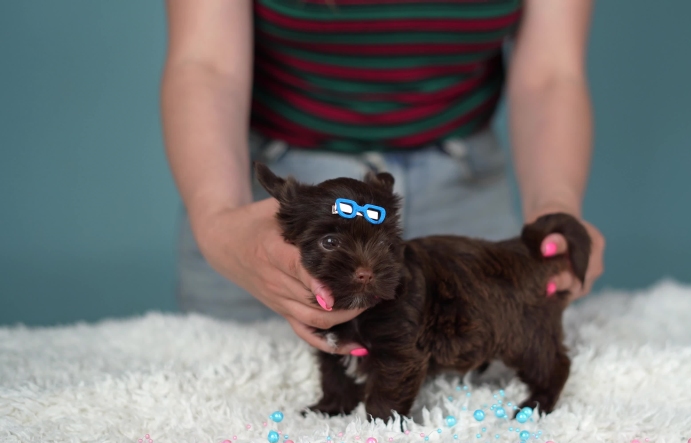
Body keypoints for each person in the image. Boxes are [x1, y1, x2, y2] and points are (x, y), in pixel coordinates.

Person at [160, 0, 605, 355]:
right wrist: (219, 221)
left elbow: (552, 75)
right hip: (280, 202)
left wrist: (554, 209)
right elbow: (206, 65)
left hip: (463, 192)